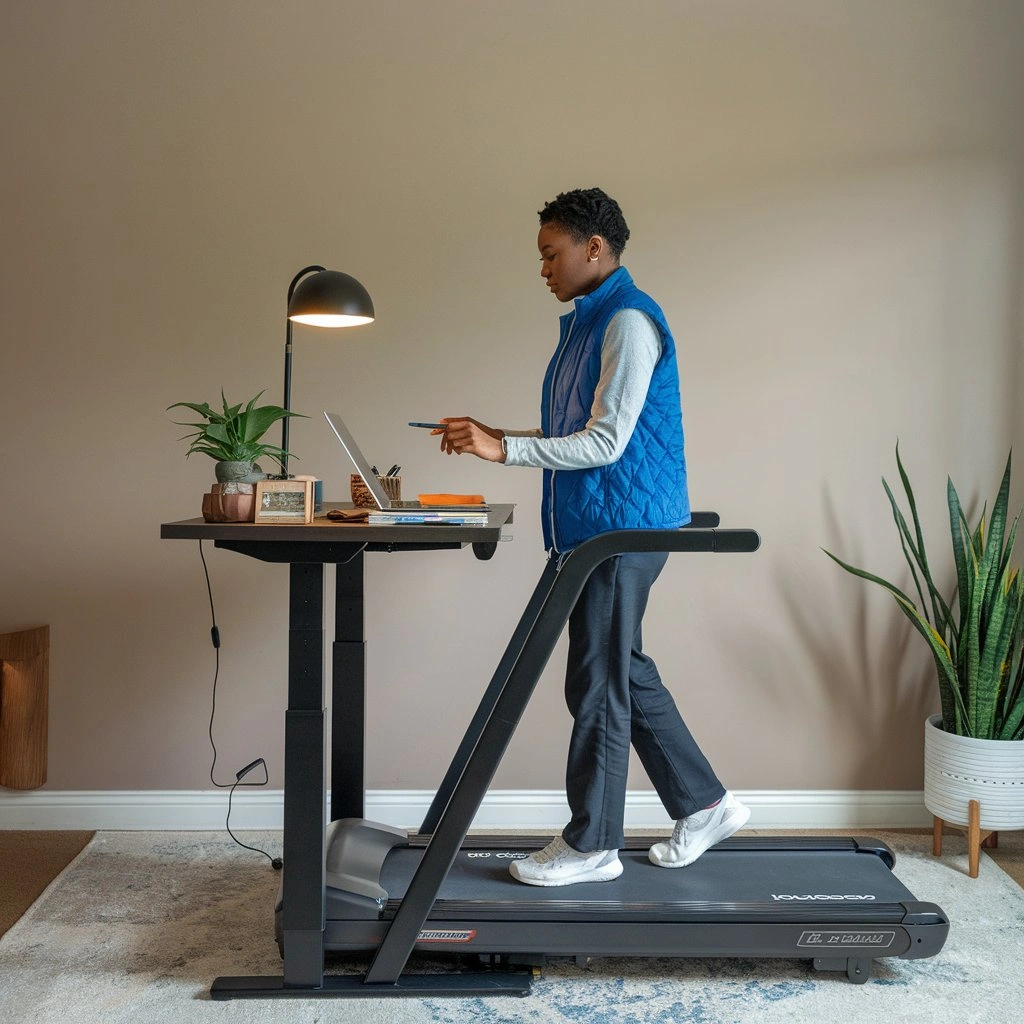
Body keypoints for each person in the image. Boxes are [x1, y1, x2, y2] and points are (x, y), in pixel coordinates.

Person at [436, 187, 749, 886]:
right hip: (602, 527)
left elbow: (605, 444)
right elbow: (570, 438)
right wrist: (498, 439)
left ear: (594, 249)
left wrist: (504, 453)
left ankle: (593, 845)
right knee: (621, 668)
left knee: (598, 682)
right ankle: (706, 804)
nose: (543, 269)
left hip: (622, 531)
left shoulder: (629, 322)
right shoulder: (588, 323)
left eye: (552, 254)